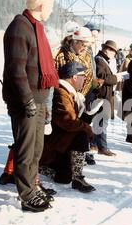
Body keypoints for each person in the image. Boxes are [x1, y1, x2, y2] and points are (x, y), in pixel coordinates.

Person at [2, 0, 59, 212]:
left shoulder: (36, 28)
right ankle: (26, 195)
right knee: (25, 150)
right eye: (51, 7)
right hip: (26, 102)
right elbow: (16, 70)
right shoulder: (20, 27)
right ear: (42, 6)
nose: (52, 11)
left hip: (39, 100)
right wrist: (27, 101)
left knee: (36, 149)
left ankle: (33, 186)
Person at [39, 61, 96, 193]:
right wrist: (87, 128)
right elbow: (68, 121)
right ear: (74, 77)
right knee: (82, 133)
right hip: (54, 144)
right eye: (83, 77)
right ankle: (77, 177)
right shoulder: (61, 93)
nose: (85, 80)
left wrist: (87, 116)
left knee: (63, 178)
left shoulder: (68, 92)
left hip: (62, 142)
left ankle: (73, 175)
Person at [92, 40, 124, 156]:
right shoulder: (99, 60)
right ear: (107, 50)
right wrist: (116, 78)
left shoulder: (102, 60)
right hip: (102, 96)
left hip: (104, 96)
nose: (114, 54)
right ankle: (103, 147)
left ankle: (94, 144)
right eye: (113, 51)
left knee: (99, 122)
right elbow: (103, 78)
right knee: (102, 122)